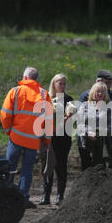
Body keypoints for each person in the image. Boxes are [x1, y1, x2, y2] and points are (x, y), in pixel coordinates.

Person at [0, 67, 53, 209]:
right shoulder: (44, 95)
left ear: (24, 77)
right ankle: (23, 198)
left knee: (9, 167)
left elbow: (5, 114)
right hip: (33, 140)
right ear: (36, 79)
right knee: (27, 170)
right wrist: (46, 141)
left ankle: (5, 196)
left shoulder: (15, 91)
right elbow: (49, 121)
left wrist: (7, 130)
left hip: (16, 137)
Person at [39, 73, 74, 206]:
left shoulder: (68, 100)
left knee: (61, 166)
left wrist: (67, 118)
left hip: (63, 138)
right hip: (48, 137)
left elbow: (70, 121)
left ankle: (60, 195)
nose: (63, 86)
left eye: (64, 84)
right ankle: (46, 195)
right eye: (60, 83)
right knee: (47, 166)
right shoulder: (46, 99)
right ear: (54, 84)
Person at [79, 70, 112, 169]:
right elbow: (80, 121)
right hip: (87, 140)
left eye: (109, 83)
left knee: (104, 167)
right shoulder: (85, 99)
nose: (107, 86)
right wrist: (88, 132)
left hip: (106, 140)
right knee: (87, 168)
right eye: (105, 83)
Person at [77, 82, 112, 170]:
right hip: (85, 142)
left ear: (105, 94)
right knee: (86, 168)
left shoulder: (108, 108)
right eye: (98, 91)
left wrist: (98, 133)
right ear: (93, 92)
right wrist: (88, 132)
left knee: (99, 169)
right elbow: (79, 124)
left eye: (102, 92)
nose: (100, 94)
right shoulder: (84, 106)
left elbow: (110, 126)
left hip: (101, 144)